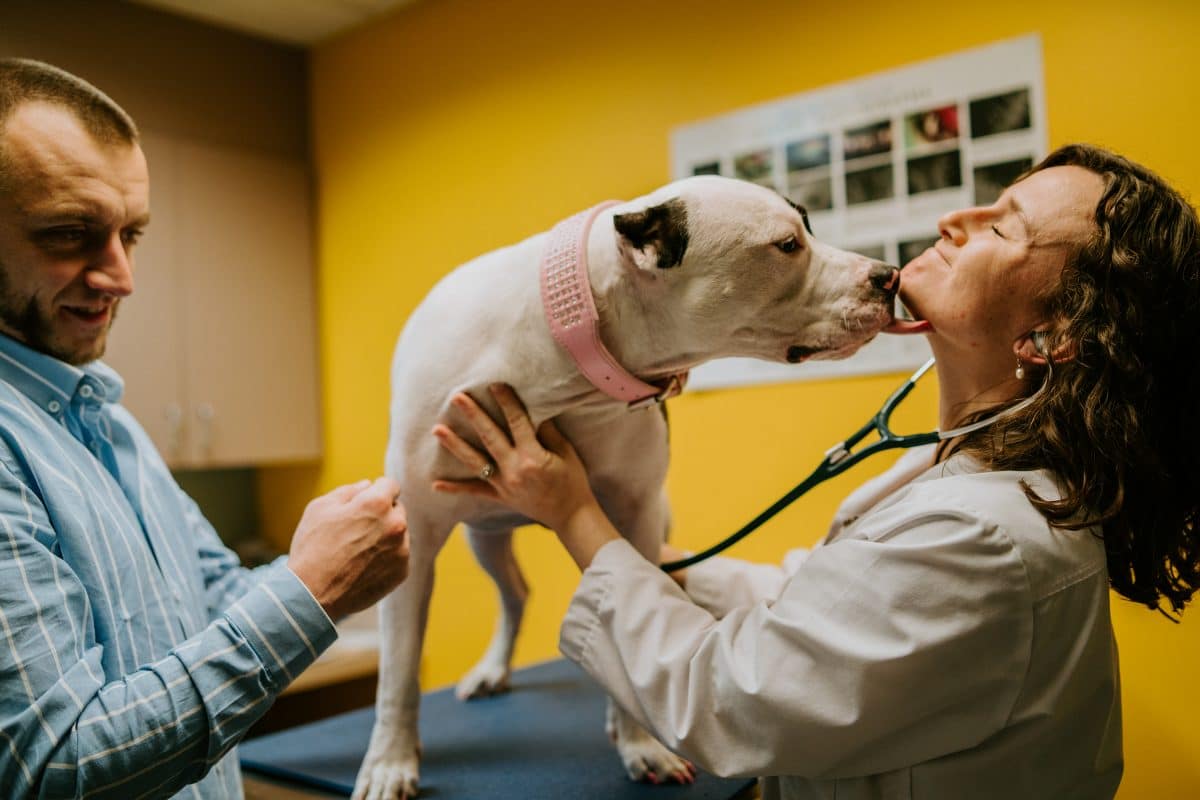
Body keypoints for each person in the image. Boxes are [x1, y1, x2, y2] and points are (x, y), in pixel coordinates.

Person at [432, 143, 1200, 799]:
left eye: (1001, 225)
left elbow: (732, 701)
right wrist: (658, 560)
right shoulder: (964, 482)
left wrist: (572, 512)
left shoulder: (987, 540)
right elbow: (816, 610)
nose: (952, 222)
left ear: (1052, 333)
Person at [0, 58, 411, 798]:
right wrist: (313, 588)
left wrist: (405, 506)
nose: (120, 275)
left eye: (133, 233)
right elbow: (54, 766)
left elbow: (216, 600)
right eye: (70, 234)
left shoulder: (109, 423)